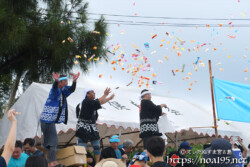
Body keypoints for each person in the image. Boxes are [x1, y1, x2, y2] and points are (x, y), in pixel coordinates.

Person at [40, 72, 79, 167]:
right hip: (47, 120)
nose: (66, 82)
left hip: (50, 121)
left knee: (50, 142)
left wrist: (74, 82)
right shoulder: (55, 91)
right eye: (64, 81)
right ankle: (51, 162)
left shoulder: (63, 91)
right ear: (60, 83)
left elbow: (72, 89)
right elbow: (54, 87)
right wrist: (55, 81)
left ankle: (51, 162)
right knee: (52, 142)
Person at [76, 88, 114, 163]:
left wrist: (109, 98)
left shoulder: (92, 103)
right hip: (83, 125)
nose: (94, 93)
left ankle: (97, 163)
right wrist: (105, 95)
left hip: (92, 126)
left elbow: (100, 102)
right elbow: (98, 101)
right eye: (92, 92)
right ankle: (81, 163)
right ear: (87, 94)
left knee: (97, 146)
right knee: (82, 147)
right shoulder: (85, 101)